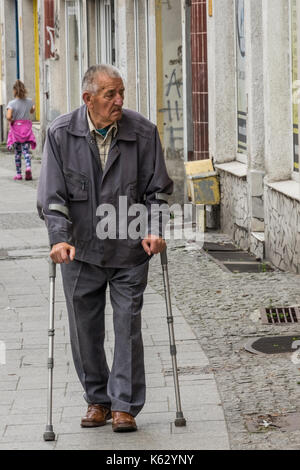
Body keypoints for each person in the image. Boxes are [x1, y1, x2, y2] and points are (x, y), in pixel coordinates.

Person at [37, 64, 173, 433]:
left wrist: (154, 229)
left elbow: (157, 192)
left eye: (121, 93)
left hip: (130, 250)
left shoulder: (142, 132)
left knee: (127, 324)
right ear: (88, 98)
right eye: (110, 94)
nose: (119, 101)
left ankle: (124, 405)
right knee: (85, 330)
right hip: (80, 251)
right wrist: (59, 237)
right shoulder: (60, 134)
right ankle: (98, 399)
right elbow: (52, 196)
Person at [6, 80, 36, 181]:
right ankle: (28, 168)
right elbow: (32, 110)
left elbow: (9, 116)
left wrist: (12, 120)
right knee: (26, 151)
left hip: (16, 130)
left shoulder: (12, 103)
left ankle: (19, 174)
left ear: (15, 90)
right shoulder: (29, 101)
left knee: (17, 153)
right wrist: (32, 108)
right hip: (26, 129)